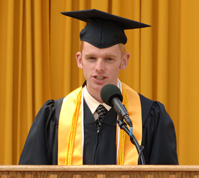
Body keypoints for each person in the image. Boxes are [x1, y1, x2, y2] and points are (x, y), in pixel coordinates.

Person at [19, 9, 178, 165]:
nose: (99, 67)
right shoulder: (54, 117)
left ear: (124, 61)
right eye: (92, 58)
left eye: (108, 59)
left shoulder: (149, 117)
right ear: (79, 60)